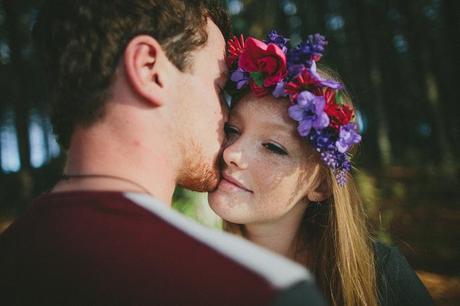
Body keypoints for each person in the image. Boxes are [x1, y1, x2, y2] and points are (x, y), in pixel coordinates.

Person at [0, 1, 326, 305]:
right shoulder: (258, 288)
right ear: (148, 69)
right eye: (218, 87)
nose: (226, 114)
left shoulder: (13, 254)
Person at [209, 31, 435, 306]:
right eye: (232, 129)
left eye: (273, 147)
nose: (231, 152)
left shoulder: (381, 276)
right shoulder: (195, 274)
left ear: (321, 185)